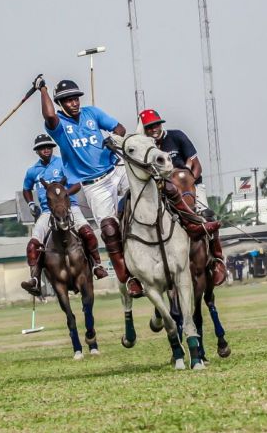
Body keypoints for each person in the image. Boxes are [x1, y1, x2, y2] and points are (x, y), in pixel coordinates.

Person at [33, 75, 144, 297]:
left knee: (148, 189)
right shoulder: (59, 126)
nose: (74, 103)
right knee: (109, 231)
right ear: (60, 104)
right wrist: (43, 90)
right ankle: (129, 278)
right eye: (68, 100)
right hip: (94, 186)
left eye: (75, 98)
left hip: (116, 170)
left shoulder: (92, 112)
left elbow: (119, 127)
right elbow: (48, 115)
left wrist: (113, 138)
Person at [139, 108, 227, 285]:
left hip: (190, 185)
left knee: (207, 216)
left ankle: (217, 261)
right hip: (166, 191)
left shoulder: (177, 136)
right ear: (145, 130)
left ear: (160, 124)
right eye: (149, 127)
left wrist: (188, 183)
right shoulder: (147, 147)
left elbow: (197, 166)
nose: (153, 129)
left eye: (156, 124)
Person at [19, 133, 108, 296]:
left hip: (70, 208)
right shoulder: (33, 171)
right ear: (37, 151)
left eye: (48, 147)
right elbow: (26, 189)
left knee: (88, 233)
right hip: (47, 212)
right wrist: (31, 203)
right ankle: (35, 279)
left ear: (52, 149)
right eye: (41, 148)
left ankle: (97, 265)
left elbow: (77, 184)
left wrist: (62, 195)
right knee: (33, 244)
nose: (45, 150)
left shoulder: (63, 163)